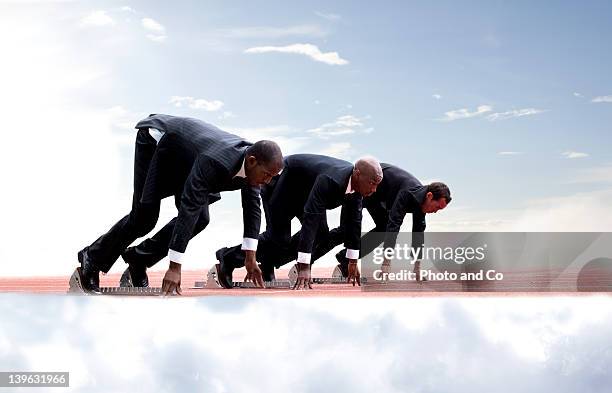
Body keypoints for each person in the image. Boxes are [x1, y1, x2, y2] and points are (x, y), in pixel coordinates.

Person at [77, 114, 283, 294]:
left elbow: (252, 209)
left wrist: (250, 257)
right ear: (252, 161)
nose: (267, 182)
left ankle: (139, 259)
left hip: (188, 156)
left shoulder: (253, 168)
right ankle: (93, 257)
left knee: (200, 219)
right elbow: (189, 206)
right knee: (144, 217)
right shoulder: (216, 161)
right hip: (158, 141)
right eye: (266, 175)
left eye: (272, 178)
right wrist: (175, 267)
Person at [216, 154, 383, 289]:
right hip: (281, 185)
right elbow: (311, 219)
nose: (374, 190)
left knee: (321, 234)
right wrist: (304, 266)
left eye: (377, 185)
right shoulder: (330, 180)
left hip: (305, 191)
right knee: (279, 237)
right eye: (372, 183)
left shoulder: (357, 189)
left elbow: (354, 223)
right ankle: (229, 257)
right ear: (358, 174)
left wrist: (352, 260)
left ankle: (268, 262)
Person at [332, 164, 451, 277]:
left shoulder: (421, 201)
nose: (435, 211)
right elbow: (394, 226)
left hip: (378, 197)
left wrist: (417, 267)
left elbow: (418, 235)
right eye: (437, 207)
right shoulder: (408, 192)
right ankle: (314, 251)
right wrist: (386, 265)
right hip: (365, 186)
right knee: (344, 230)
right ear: (429, 196)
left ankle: (344, 258)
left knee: (383, 229)